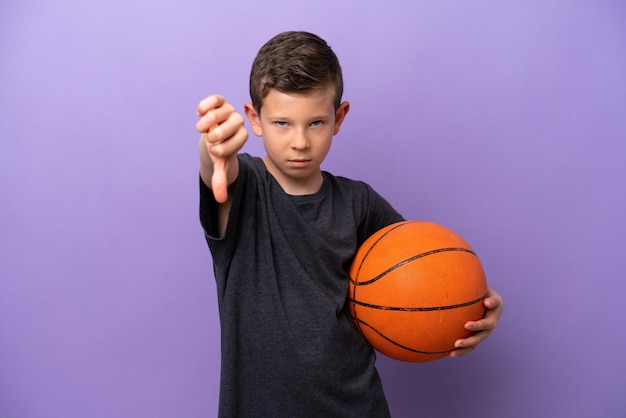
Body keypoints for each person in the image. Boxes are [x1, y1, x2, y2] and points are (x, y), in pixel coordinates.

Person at [196, 31, 503, 417]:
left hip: (357, 406)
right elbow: (216, 172)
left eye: (316, 122)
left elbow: (428, 276)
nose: (300, 141)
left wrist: (475, 308)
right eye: (282, 123)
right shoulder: (247, 188)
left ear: (339, 118)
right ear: (254, 119)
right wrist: (214, 148)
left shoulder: (359, 202)